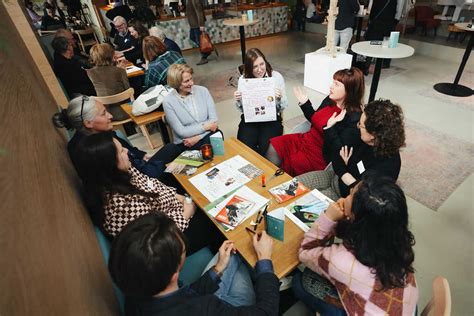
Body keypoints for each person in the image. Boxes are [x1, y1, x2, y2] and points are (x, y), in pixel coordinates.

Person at [109, 212, 280, 315]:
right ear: (175, 273)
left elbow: (185, 295)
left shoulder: (134, 288)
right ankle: (272, 279)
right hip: (226, 308)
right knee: (252, 261)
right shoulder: (203, 309)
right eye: (183, 251)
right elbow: (266, 312)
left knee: (236, 252)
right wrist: (265, 259)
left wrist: (218, 268)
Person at [293, 175, 418, 315]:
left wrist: (328, 218)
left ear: (356, 218)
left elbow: (305, 252)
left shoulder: (340, 260)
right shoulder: (397, 238)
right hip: (405, 308)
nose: (347, 195)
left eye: (351, 195)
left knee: (301, 281)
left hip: (372, 306)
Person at [73, 132, 215, 255]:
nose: (127, 152)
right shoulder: (119, 206)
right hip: (169, 241)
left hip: (173, 211)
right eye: (121, 152)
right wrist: (187, 212)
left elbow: (151, 183)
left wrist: (181, 198)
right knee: (214, 218)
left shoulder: (123, 171)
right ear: (108, 164)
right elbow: (157, 238)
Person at [52, 95, 181, 182]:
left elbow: (128, 151)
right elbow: (139, 175)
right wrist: (167, 166)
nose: (110, 115)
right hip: (142, 180)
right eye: (103, 113)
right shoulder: (98, 150)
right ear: (88, 123)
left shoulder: (96, 133)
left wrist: (141, 155)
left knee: (172, 148)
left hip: (139, 168)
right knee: (181, 167)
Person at [297, 99, 405, 199]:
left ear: (374, 134)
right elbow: (337, 156)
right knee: (290, 187)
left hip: (345, 198)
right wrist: (347, 175)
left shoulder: (388, 165)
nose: (357, 126)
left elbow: (360, 192)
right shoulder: (362, 137)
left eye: (361, 125)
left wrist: (344, 170)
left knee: (300, 206)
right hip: (333, 177)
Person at [266, 67, 365, 177]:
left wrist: (330, 128)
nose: (331, 86)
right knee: (274, 146)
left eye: (336, 84)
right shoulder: (330, 99)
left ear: (349, 90)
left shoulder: (354, 118)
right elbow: (315, 119)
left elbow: (340, 150)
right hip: (305, 139)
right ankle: (266, 184)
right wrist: (305, 104)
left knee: (292, 163)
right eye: (333, 82)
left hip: (320, 155)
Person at [233, 48, 288, 156]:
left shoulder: (276, 77)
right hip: (250, 119)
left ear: (265, 62)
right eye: (255, 66)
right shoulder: (243, 80)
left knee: (266, 148)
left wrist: (279, 98)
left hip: (271, 119)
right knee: (244, 146)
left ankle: (265, 168)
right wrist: (239, 100)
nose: (259, 69)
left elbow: (283, 107)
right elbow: (241, 110)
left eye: (261, 64)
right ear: (249, 67)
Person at [163, 64, 219, 151]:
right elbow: (181, 132)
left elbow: (213, 121)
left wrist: (198, 137)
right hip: (186, 142)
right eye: (186, 81)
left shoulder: (203, 91)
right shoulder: (168, 102)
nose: (191, 83)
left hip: (205, 136)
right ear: (176, 83)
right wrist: (205, 127)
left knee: (215, 136)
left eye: (191, 78)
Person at [86, 43, 130, 121]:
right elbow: (128, 90)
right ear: (111, 55)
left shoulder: (90, 73)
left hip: (104, 114)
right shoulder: (120, 71)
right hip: (125, 111)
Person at [363, 0, 404, 70]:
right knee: (387, 42)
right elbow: (399, 8)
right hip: (389, 21)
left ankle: (368, 61)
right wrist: (396, 20)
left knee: (373, 41)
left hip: (376, 20)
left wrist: (371, 18)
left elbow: (372, 5)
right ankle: (385, 62)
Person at [186, 0, 210, 65]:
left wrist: (201, 24)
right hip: (193, 24)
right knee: (192, 38)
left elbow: (199, 11)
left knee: (200, 41)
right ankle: (207, 52)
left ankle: (204, 57)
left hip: (197, 24)